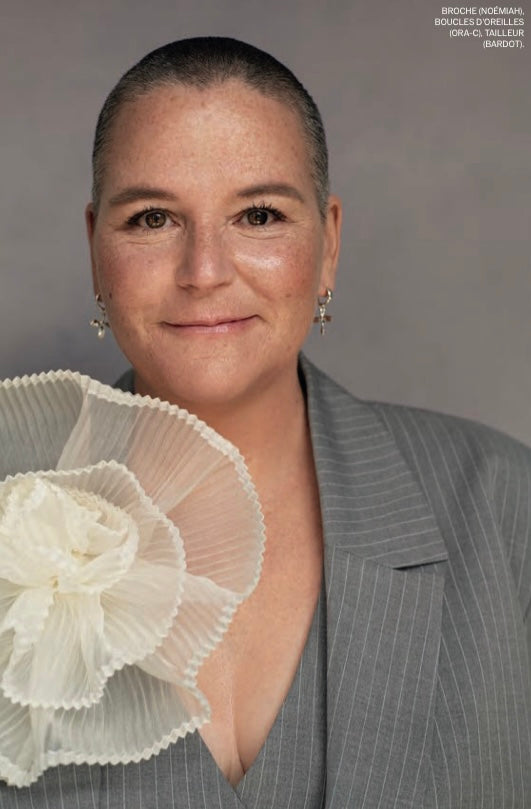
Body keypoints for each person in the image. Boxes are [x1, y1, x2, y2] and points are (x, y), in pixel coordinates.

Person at [1, 36, 530, 809]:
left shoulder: (505, 509)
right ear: (94, 250)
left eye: (258, 213)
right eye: (152, 218)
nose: (204, 269)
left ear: (328, 245)